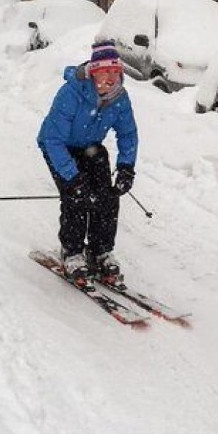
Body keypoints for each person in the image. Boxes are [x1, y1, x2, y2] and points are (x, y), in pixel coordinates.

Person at [37, 39, 138, 286]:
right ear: (93, 72)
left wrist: (126, 168)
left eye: (116, 72)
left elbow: (128, 134)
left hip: (91, 147)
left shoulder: (120, 97)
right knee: (77, 198)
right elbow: (52, 139)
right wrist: (72, 177)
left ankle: (100, 250)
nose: (111, 78)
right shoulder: (71, 93)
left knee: (107, 197)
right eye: (105, 72)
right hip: (60, 147)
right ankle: (71, 252)